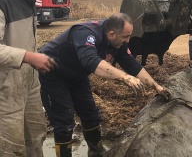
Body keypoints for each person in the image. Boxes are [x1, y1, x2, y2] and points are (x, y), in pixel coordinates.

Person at [39, 13, 165, 156]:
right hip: (53, 72)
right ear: (111, 34)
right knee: (64, 123)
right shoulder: (85, 33)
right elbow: (90, 61)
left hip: (77, 75)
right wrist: (124, 77)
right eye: (125, 37)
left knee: (91, 114)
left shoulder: (118, 42)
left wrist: (156, 86)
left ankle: (95, 151)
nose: (127, 41)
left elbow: (132, 65)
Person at [0, 0, 58, 156]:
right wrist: (30, 57)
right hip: (5, 87)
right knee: (11, 148)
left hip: (30, 81)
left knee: (36, 136)